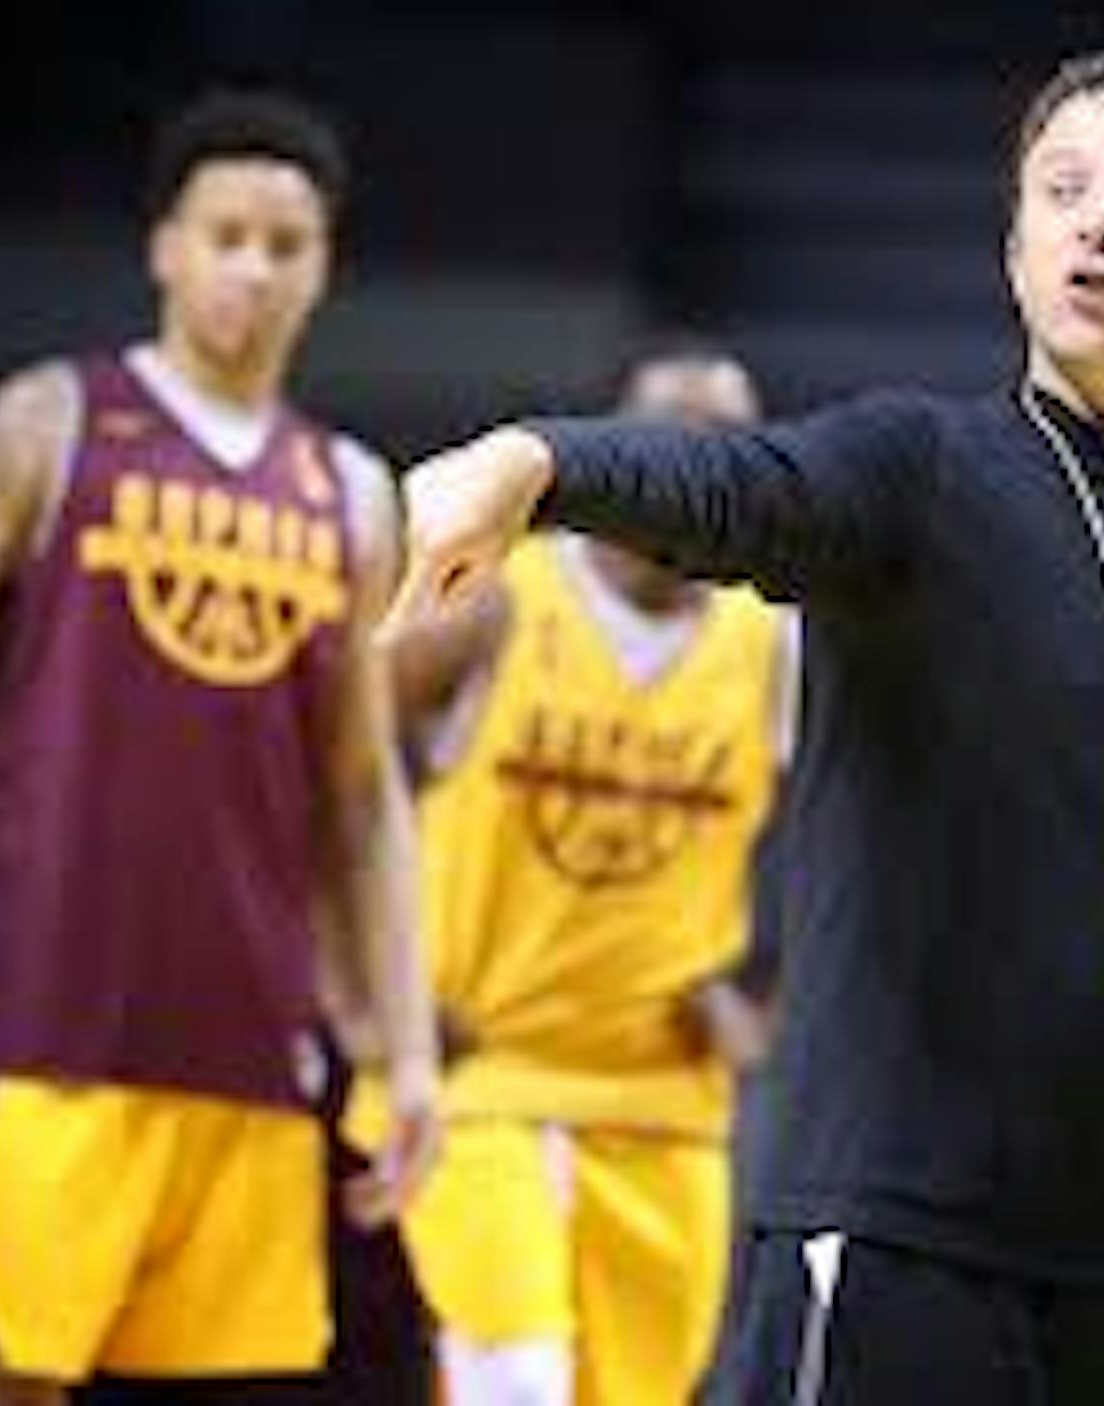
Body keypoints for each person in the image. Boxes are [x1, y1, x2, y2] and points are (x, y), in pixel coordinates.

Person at [381, 49, 1104, 1406]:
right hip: (894, 1241)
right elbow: (735, 485)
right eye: (1063, 189)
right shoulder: (915, 471)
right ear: (1015, 252)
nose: (1097, 220)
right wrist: (533, 463)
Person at [0, 89, 440, 1405]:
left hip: (254, 1041)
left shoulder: (351, 490)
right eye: (225, 235)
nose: (252, 268)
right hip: (54, 1021)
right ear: (164, 246)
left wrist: (410, 1041)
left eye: (285, 244)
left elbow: (364, 790)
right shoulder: (52, 424)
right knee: (5, 1375)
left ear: (324, 267)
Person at [347, 344, 787, 1406]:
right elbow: (336, 776)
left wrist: (770, 1002)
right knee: (516, 1382)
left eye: (723, 448)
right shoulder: (497, 598)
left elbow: (868, 836)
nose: (691, 470)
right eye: (667, 443)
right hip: (481, 1077)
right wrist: (364, 1003)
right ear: (615, 455)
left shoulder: (775, 645)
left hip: (662, 1102)